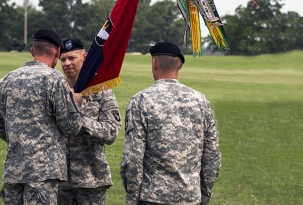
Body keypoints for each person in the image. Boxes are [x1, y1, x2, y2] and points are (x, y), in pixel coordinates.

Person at [120, 41, 221, 205]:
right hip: (190, 197)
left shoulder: (141, 100)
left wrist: (132, 197)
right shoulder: (201, 101)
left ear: (154, 63)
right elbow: (212, 155)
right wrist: (204, 194)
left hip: (153, 197)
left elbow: (133, 157)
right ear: (179, 66)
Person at [0, 28, 82, 205]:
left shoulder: (6, 80)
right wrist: (76, 103)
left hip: (13, 171)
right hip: (43, 173)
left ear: (33, 50)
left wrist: (21, 141)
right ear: (57, 52)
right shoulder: (55, 79)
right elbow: (71, 126)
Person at [58, 38, 121, 205]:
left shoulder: (101, 90)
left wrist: (77, 116)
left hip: (92, 180)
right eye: (63, 59)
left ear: (84, 57)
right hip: (58, 180)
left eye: (72, 58)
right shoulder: (56, 91)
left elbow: (111, 132)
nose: (67, 63)